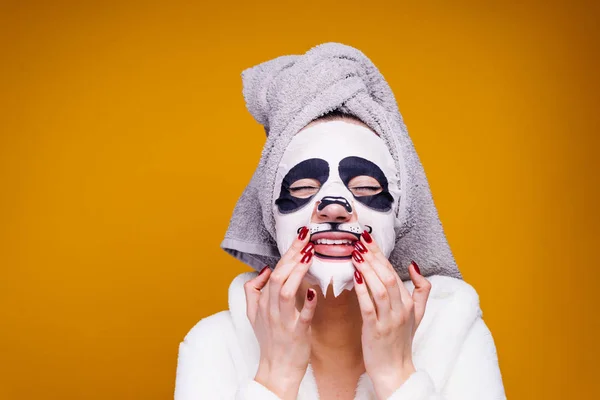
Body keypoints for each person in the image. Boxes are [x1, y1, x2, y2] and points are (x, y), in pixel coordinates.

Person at [174, 43, 506, 400]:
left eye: (365, 186)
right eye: (302, 187)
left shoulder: (455, 333)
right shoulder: (213, 346)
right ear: (271, 217)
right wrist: (275, 377)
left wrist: (397, 376)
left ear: (399, 213)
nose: (334, 207)